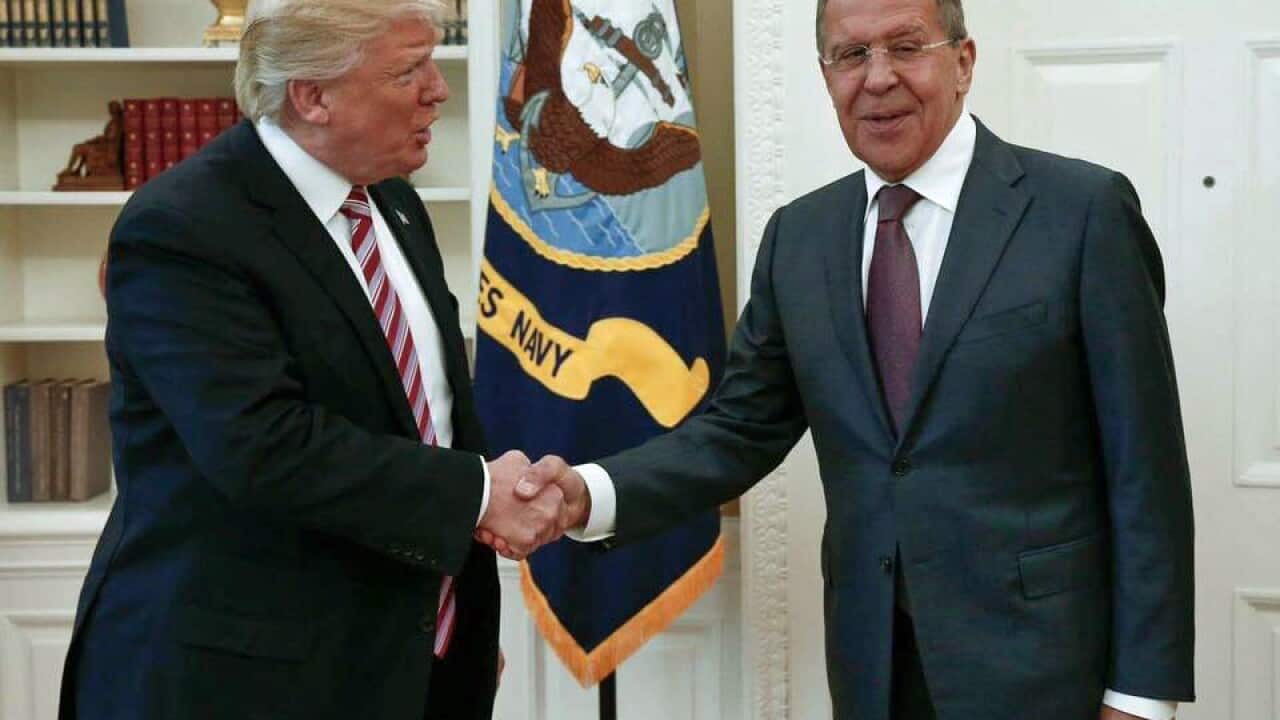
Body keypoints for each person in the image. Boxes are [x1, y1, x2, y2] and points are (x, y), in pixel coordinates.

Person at [491, 0, 1196, 718]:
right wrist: (588, 492)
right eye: (852, 55)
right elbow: (738, 431)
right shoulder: (800, 238)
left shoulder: (1081, 212)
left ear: (964, 62)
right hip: (873, 671)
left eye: (905, 47)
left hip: (1044, 670)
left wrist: (1141, 694)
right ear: (826, 75)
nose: (878, 78)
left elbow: (1146, 471)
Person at [58, 1, 572, 718]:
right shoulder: (182, 228)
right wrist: (480, 495)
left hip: (410, 656)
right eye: (407, 70)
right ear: (312, 96)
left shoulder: (391, 200)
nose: (439, 89)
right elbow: (262, 447)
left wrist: (461, 624)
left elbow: (431, 412)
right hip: (243, 680)